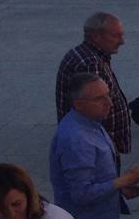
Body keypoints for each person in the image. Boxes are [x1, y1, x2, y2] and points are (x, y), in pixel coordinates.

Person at [51, 73, 139, 219]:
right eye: (99, 98)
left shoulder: (90, 122)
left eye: (108, 95)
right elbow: (82, 194)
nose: (109, 103)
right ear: (79, 104)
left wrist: (117, 190)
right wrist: (123, 181)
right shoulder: (77, 140)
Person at [55, 12, 132, 158]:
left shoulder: (86, 55)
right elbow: (94, 111)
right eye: (116, 36)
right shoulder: (90, 63)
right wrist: (105, 146)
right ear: (96, 36)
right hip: (94, 148)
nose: (122, 41)